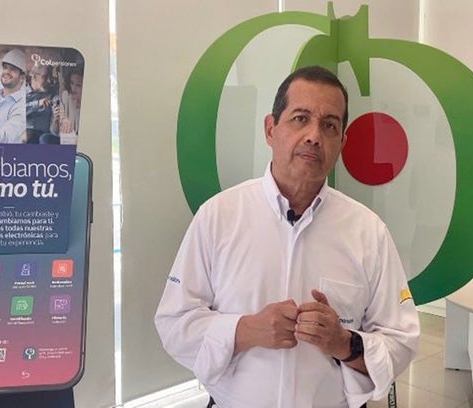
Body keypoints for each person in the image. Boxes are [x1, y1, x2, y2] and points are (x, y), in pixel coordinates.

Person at [155, 66, 419, 407]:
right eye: (300, 118)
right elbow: (174, 323)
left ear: (341, 143)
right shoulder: (218, 216)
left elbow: (401, 340)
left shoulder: (368, 232)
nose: (314, 136)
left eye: (329, 125)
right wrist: (245, 330)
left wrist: (344, 342)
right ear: (270, 129)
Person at [0, 48, 27, 143]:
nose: (7, 72)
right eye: (5, 67)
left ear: (22, 78)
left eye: (13, 69)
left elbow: (7, 134)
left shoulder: (22, 106)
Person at [40, 69, 82, 144]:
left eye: (78, 85)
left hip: (80, 142)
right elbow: (54, 132)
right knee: (45, 138)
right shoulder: (64, 99)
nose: (73, 88)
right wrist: (56, 120)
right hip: (65, 140)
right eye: (72, 83)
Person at [25, 64, 58, 143]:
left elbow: (57, 101)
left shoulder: (51, 94)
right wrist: (37, 104)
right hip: (26, 133)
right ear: (34, 77)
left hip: (44, 135)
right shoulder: (21, 92)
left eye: (50, 77)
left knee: (45, 139)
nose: (49, 81)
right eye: (45, 77)